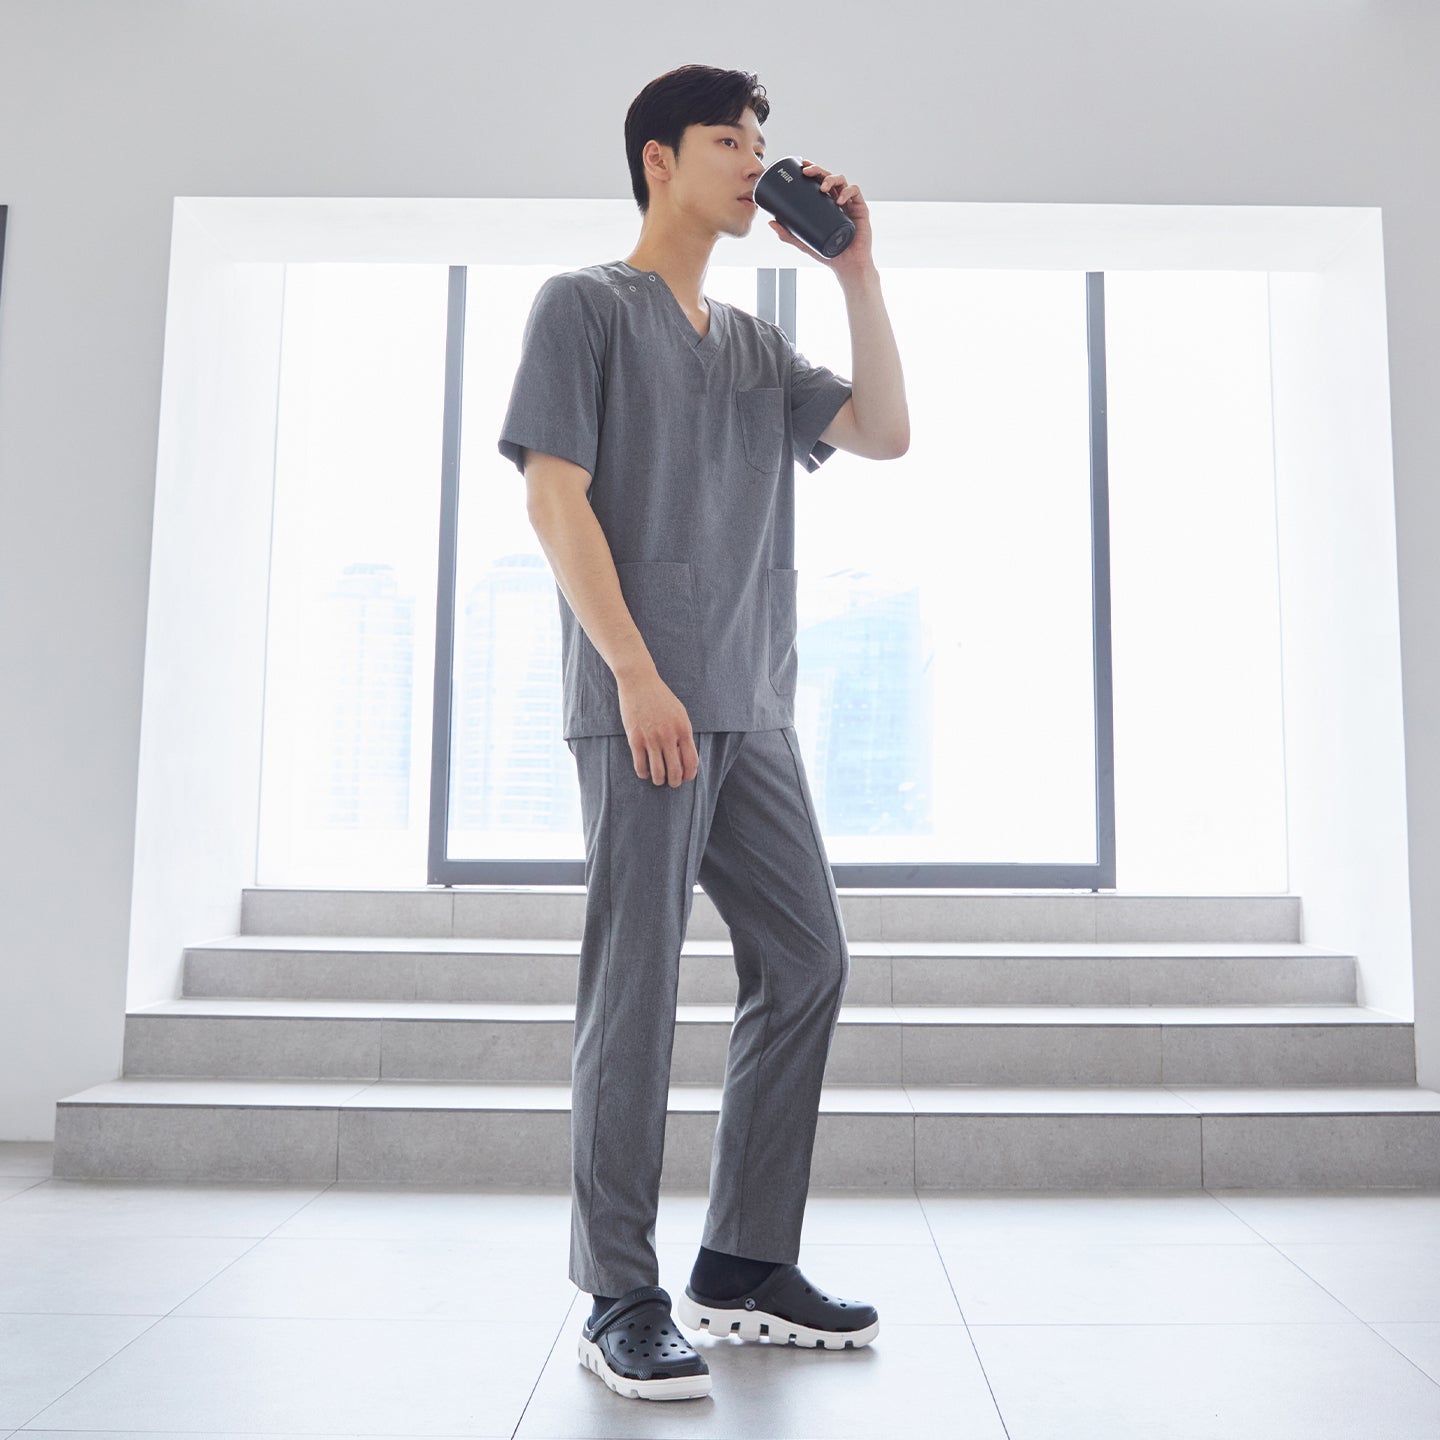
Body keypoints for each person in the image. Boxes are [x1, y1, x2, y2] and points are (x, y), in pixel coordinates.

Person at [496, 62, 909, 1403]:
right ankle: (620, 1291)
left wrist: (856, 271)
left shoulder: (749, 342)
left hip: (751, 706)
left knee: (807, 961)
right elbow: (556, 500)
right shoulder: (584, 308)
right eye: (728, 139)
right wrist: (632, 670)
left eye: (760, 142)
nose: (752, 160)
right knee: (637, 986)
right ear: (657, 159)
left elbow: (887, 433)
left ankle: (739, 1265)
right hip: (646, 708)